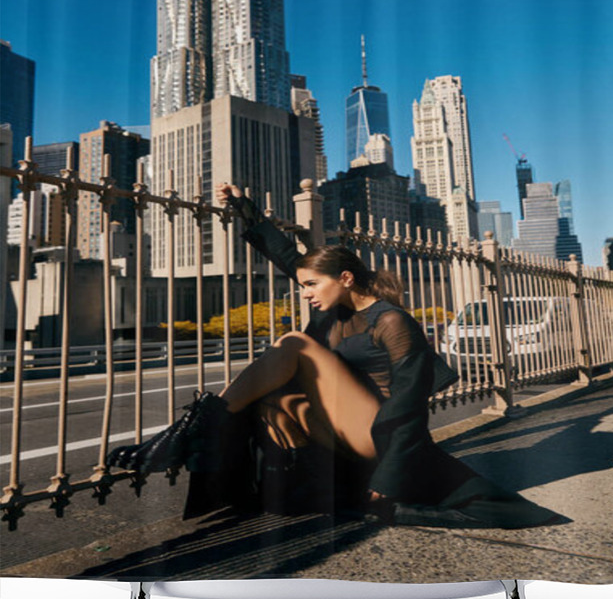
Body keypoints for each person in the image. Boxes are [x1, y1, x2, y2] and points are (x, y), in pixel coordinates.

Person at [109, 183, 556, 529]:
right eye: (301, 286)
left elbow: (407, 409)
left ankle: (191, 430)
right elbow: (290, 257)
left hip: (380, 438)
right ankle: (294, 485)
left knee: (294, 344)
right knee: (280, 401)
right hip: (343, 432)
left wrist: (389, 479)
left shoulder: (391, 321)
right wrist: (245, 208)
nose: (303, 294)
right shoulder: (331, 312)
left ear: (345, 278)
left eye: (311, 286)